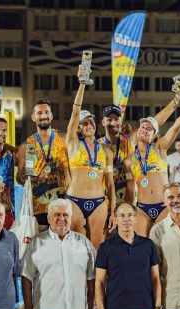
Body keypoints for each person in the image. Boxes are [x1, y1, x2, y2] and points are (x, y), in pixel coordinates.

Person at [131, 98, 180, 237]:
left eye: (149, 129)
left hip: (163, 206)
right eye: (142, 127)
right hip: (142, 208)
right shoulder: (129, 157)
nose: (144, 130)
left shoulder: (160, 148)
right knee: (143, 244)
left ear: (154, 135)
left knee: (162, 244)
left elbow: (176, 127)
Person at [65, 65, 116, 248]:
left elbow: (110, 184)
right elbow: (75, 112)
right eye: (84, 123)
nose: (89, 125)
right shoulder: (73, 144)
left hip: (99, 202)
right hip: (75, 200)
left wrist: (113, 211)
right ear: (78, 128)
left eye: (91, 122)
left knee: (97, 246)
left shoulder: (106, 150)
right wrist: (82, 84)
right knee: (76, 245)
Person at [100, 95, 180, 205]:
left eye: (116, 119)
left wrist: (175, 101)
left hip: (130, 194)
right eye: (109, 120)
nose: (113, 123)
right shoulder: (98, 145)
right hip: (106, 195)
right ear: (103, 122)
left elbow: (154, 123)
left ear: (121, 121)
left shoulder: (129, 139)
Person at [16, 99, 70, 226]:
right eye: (39, 113)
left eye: (46, 112)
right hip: (39, 207)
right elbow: (21, 177)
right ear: (33, 117)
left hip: (63, 206)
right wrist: (28, 177)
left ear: (51, 115)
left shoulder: (63, 138)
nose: (43, 116)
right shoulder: (30, 145)